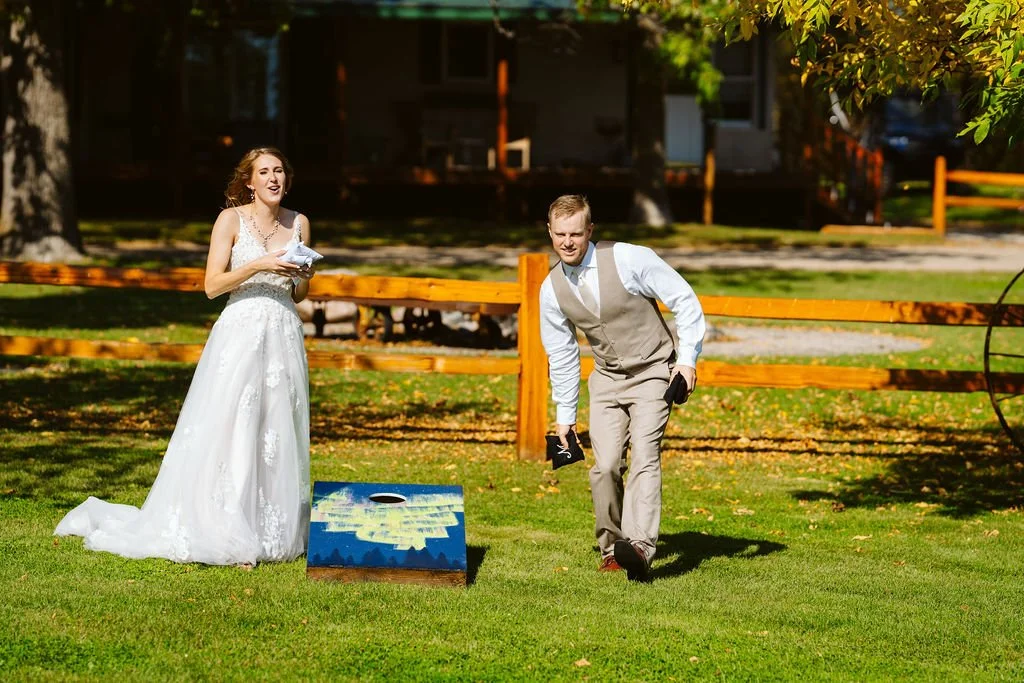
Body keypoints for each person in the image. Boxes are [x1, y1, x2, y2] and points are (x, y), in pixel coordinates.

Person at [54, 147, 315, 566]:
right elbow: (212, 285)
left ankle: (271, 531)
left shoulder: (298, 223)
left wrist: (303, 276)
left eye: (279, 170)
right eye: (263, 172)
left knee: (275, 426)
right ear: (249, 181)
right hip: (240, 328)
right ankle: (226, 527)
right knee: (232, 424)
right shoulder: (230, 220)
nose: (273, 178)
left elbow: (300, 294)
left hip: (283, 329)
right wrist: (258, 265)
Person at [539, 194, 705, 582]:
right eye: (560, 234)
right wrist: (564, 418)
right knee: (606, 466)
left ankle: (642, 547)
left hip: (652, 372)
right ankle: (613, 549)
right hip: (607, 379)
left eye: (576, 234)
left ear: (590, 231)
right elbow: (561, 355)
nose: (567, 242)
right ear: (549, 232)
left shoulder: (630, 258)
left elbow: (684, 299)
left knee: (646, 454)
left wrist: (687, 359)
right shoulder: (551, 290)